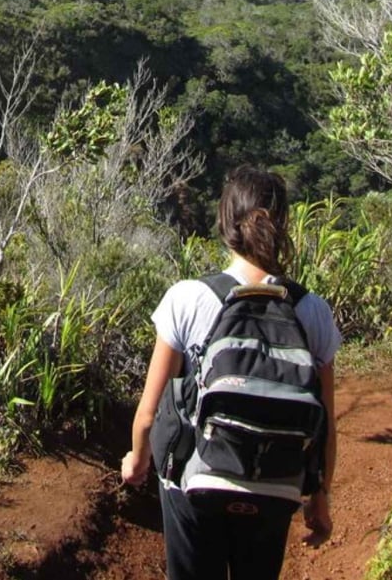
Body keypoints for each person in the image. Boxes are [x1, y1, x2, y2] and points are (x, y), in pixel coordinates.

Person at [120, 165, 340, 580]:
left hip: (196, 481)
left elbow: (148, 414)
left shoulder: (187, 298)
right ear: (283, 224)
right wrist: (320, 496)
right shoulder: (312, 311)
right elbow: (325, 423)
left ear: (225, 223)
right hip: (277, 484)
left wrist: (137, 460)